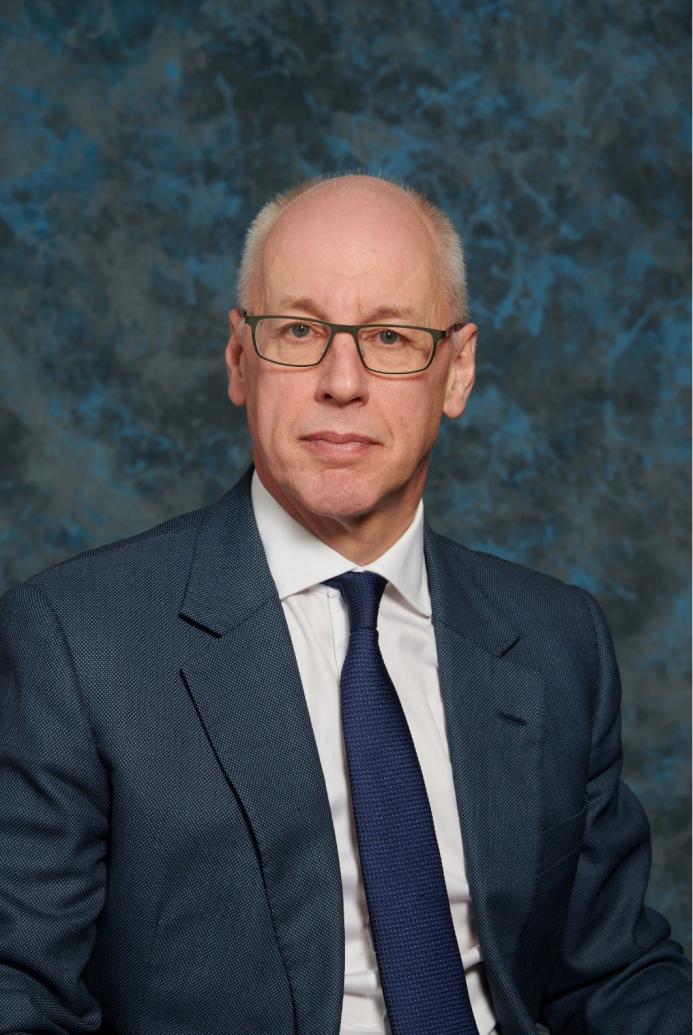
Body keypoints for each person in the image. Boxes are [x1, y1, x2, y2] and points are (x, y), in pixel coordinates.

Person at [0, 174, 689, 1035]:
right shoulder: (78, 640)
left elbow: (613, 972)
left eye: (391, 337)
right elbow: (17, 989)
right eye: (298, 330)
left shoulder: (558, 641)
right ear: (238, 359)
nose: (342, 380)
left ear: (457, 371)